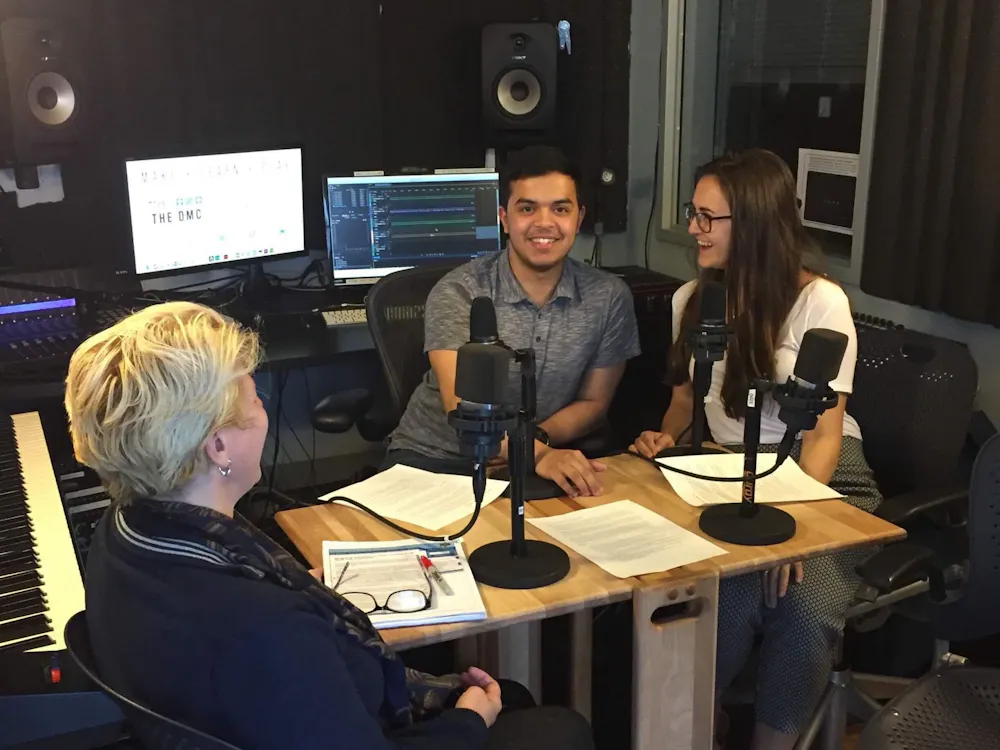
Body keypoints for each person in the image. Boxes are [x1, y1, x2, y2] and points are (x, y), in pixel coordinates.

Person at [69, 301, 594, 750]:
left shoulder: (123, 534)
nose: (264, 408)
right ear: (219, 446)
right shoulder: (268, 633)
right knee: (558, 727)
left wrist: (296, 593)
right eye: (254, 398)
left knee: (517, 696)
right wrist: (469, 721)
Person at [630, 149, 882, 750]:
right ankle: (696, 726)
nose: (693, 228)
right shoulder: (692, 297)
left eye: (706, 217)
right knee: (713, 597)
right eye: (693, 214)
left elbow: (823, 434)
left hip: (818, 478)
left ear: (755, 223)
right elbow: (687, 402)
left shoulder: (820, 303)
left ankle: (775, 741)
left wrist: (793, 528)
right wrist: (667, 435)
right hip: (723, 467)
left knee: (802, 606)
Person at [386, 145, 640, 497]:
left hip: (540, 456)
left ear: (578, 219)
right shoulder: (460, 292)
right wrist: (535, 453)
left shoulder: (609, 297)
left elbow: (594, 404)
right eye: (527, 208)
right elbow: (462, 410)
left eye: (560, 209)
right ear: (504, 218)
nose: (545, 223)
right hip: (437, 459)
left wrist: (533, 446)